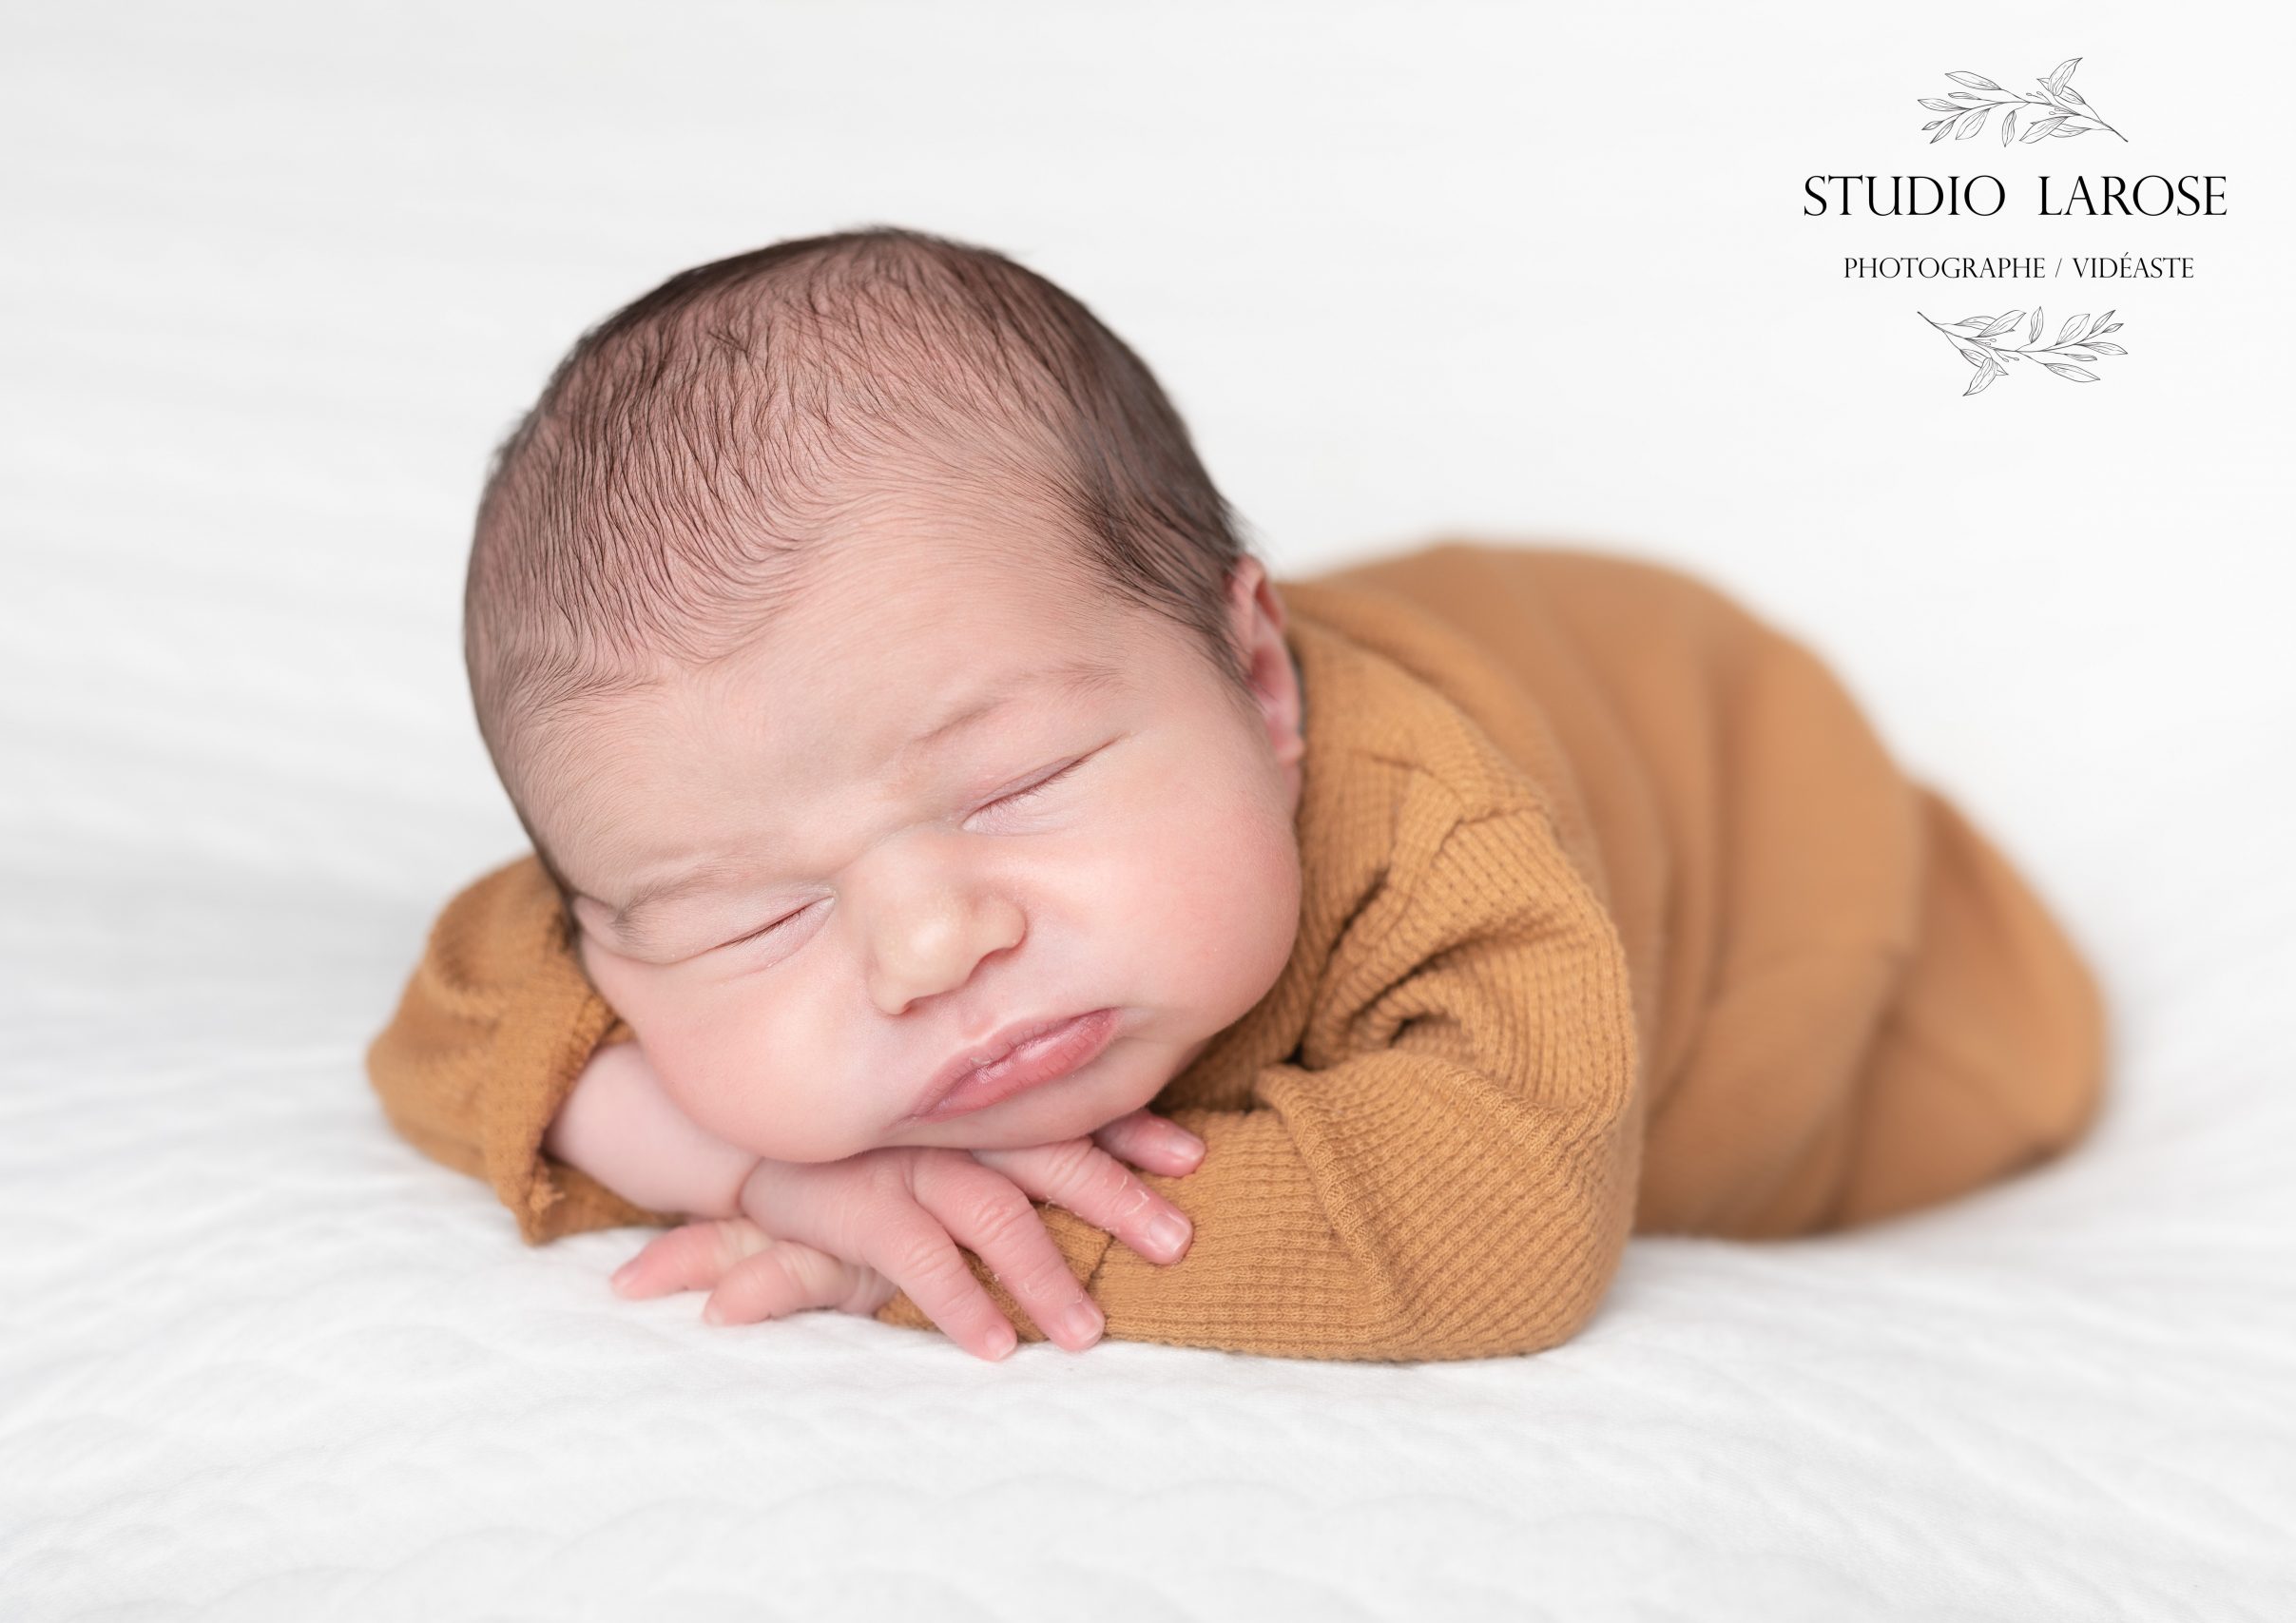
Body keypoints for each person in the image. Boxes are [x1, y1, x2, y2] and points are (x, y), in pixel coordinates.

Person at [365, 225, 2107, 1363]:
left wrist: (933, 1259)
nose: (925, 946)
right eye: (759, 917)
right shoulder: (687, 810)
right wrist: (754, 1169)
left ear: (1258, 684)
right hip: (1256, 645)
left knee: (1858, 1117)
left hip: (1761, 823)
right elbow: (448, 1023)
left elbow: (1500, 1223)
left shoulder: (1439, 839)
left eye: (1018, 784)